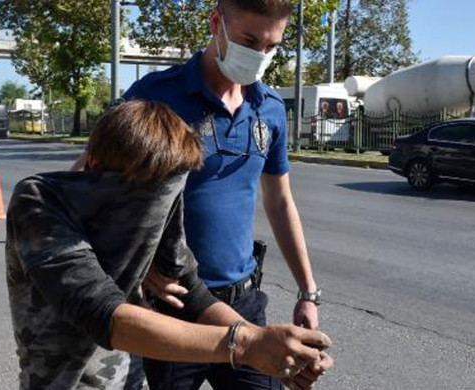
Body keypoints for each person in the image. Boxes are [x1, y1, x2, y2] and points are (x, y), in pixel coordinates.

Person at [73, 1, 325, 388]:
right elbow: (86, 185)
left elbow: (280, 203)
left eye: (271, 47)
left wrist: (307, 291)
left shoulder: (269, 108)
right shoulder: (156, 96)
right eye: (249, 40)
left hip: (242, 301)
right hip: (173, 307)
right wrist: (141, 267)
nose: (259, 56)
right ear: (216, 23)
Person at [8, 100, 333, 390]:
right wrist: (246, 344)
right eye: (138, 200)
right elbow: (103, 314)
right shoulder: (38, 201)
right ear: (93, 165)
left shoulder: (163, 199)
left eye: (159, 201)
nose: (148, 215)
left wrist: (272, 349)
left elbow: (190, 290)